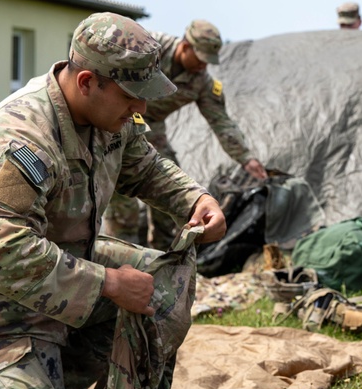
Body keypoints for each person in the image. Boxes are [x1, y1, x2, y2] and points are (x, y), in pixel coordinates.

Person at [0, 12, 227, 389]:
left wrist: (195, 199)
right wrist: (109, 284)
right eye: (131, 96)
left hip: (62, 275)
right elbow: (5, 255)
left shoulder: (110, 117)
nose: (140, 109)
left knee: (159, 283)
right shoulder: (19, 139)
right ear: (87, 82)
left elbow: (144, 165)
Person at [101, 19, 266, 251]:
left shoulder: (202, 83)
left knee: (169, 186)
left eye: (208, 62)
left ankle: (161, 254)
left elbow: (221, 122)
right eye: (199, 59)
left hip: (153, 130)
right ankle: (121, 255)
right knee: (121, 192)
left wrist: (246, 158)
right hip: (115, 121)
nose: (203, 67)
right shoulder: (147, 48)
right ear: (186, 46)